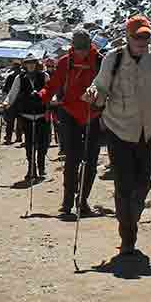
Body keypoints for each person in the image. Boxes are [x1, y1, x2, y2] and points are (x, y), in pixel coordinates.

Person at [84, 16, 151, 257]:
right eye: (137, 36)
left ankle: (131, 219)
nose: (142, 40)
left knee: (145, 182)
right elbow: (101, 86)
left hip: (147, 130)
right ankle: (127, 235)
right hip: (118, 127)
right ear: (127, 36)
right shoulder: (114, 58)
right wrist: (93, 94)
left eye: (146, 36)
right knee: (124, 184)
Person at [42, 30, 103, 219]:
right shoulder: (64, 62)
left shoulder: (101, 61)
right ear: (73, 47)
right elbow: (53, 85)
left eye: (84, 49)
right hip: (70, 114)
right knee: (72, 159)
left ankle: (82, 201)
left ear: (89, 46)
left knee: (91, 161)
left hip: (94, 115)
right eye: (78, 49)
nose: (81, 53)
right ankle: (67, 201)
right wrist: (41, 97)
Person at [0, 55, 51, 183]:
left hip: (42, 116)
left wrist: (53, 102)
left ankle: (41, 166)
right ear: (25, 65)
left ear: (36, 64)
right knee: (29, 144)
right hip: (26, 116)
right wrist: (6, 103)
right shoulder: (20, 78)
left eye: (33, 63)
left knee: (43, 143)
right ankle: (31, 169)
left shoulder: (44, 76)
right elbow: (13, 93)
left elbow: (50, 91)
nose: (31, 65)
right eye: (28, 63)